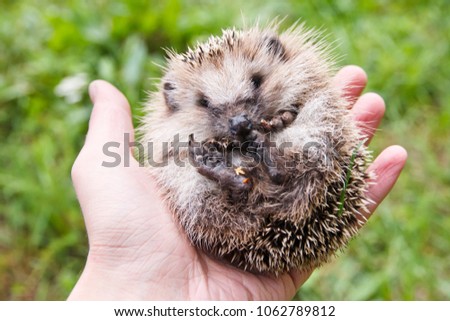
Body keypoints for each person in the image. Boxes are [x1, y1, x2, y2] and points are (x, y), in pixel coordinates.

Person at [68, 66, 407, 300]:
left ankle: (242, 172)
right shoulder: (179, 133)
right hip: (230, 216)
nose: (237, 116)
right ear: (172, 102)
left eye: (255, 85)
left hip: (302, 182)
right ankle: (238, 173)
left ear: (276, 55)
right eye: (205, 103)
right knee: (188, 176)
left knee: (320, 126)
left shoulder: (297, 86)